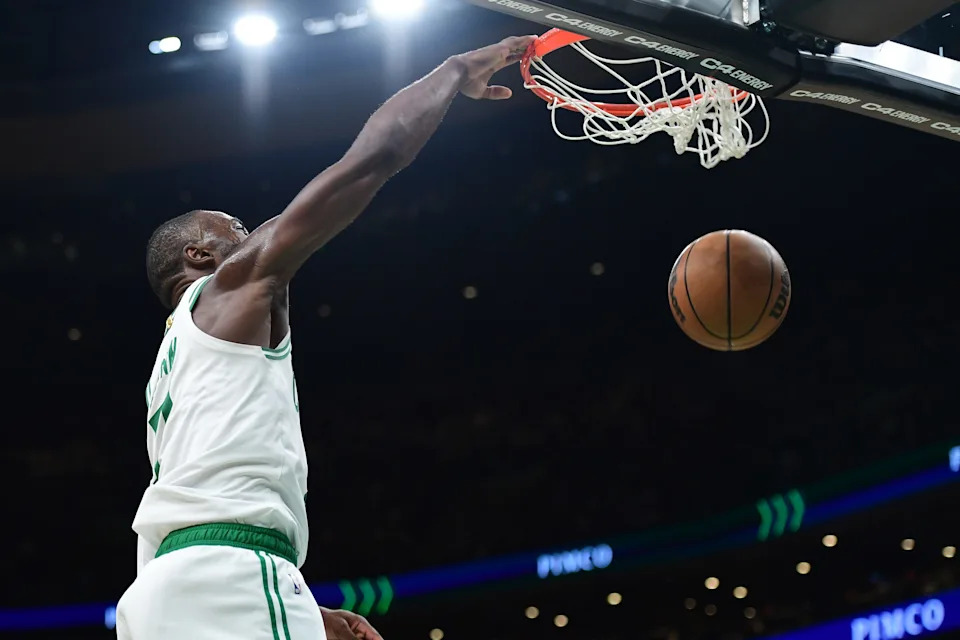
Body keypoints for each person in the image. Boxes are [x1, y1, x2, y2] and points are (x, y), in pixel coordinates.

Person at [116, 34, 537, 640]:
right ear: (200, 253)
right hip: (229, 577)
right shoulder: (228, 292)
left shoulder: (172, 365)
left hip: (161, 597)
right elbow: (368, 162)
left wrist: (299, 613)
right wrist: (452, 72)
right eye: (234, 228)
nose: (251, 234)